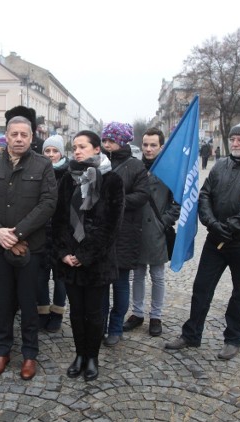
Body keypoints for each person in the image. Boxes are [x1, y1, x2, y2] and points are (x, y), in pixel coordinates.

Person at [164, 121, 240, 360]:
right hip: (216, 240)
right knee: (202, 287)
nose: (236, 143)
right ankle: (191, 334)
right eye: (234, 139)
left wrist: (231, 227)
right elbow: (204, 195)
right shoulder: (220, 166)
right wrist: (212, 224)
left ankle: (233, 338)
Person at [0, 115, 57, 381]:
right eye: (14, 134)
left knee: (28, 301)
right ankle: (2, 350)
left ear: (31, 138)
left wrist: (18, 233)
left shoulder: (43, 165)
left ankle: (30, 353)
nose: (19, 139)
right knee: (2, 300)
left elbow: (47, 203)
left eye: (24, 135)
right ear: (6, 136)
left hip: (31, 246)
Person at [52, 130, 124, 381]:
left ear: (97, 149)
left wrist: (85, 255)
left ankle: (92, 357)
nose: (78, 151)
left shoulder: (112, 180)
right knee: (75, 312)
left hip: (96, 262)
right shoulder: (67, 180)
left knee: (94, 313)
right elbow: (59, 220)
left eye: (83, 146)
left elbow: (111, 226)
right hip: (70, 260)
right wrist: (64, 253)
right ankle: (79, 354)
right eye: (75, 147)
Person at [123, 128, 180, 337]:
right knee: (137, 274)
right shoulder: (135, 167)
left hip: (156, 229)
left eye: (153, 145)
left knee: (157, 275)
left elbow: (178, 201)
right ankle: (137, 313)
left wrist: (163, 221)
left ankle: (156, 316)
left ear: (161, 147)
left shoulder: (170, 170)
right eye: (145, 144)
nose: (148, 149)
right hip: (136, 228)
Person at [100, 122, 149, 347]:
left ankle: (116, 326)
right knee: (99, 285)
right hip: (100, 232)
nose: (107, 144)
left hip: (125, 232)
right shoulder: (98, 161)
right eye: (105, 140)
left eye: (111, 140)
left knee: (120, 285)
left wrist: (115, 200)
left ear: (122, 141)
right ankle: (99, 325)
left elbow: (141, 196)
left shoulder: (136, 167)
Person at [37, 134, 70, 332]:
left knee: (60, 278)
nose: (51, 155)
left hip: (61, 234)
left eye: (55, 151)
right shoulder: (37, 171)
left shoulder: (69, 174)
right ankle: (42, 311)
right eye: (47, 151)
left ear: (61, 153)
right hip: (40, 233)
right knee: (40, 277)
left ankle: (57, 313)